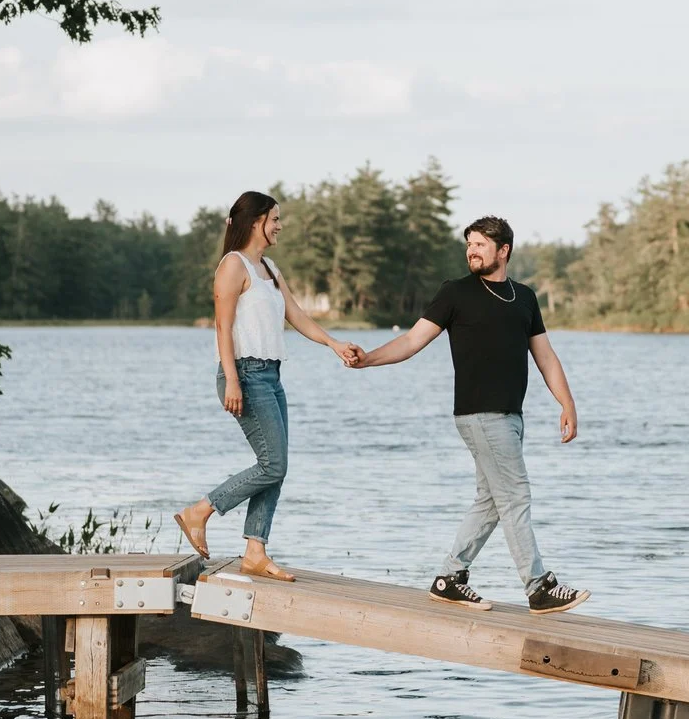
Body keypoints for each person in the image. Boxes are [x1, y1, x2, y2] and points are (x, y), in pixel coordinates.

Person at [346, 215, 588, 613]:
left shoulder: (524, 297)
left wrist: (567, 403)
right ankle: (538, 586)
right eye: (469, 244)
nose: (471, 251)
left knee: (492, 501)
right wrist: (368, 359)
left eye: (479, 244)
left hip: (511, 416)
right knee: (516, 496)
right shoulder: (455, 293)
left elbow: (545, 355)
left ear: (503, 250)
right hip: (480, 413)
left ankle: (449, 578)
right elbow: (411, 340)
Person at [175, 191, 360, 580]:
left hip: (271, 375)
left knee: (276, 465)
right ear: (256, 220)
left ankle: (255, 551)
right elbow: (222, 327)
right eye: (275, 218)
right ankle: (201, 511)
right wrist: (233, 381)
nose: (279, 225)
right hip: (243, 373)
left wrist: (333, 343)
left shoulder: (270, 268)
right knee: (273, 464)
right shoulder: (233, 265)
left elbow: (296, 315)